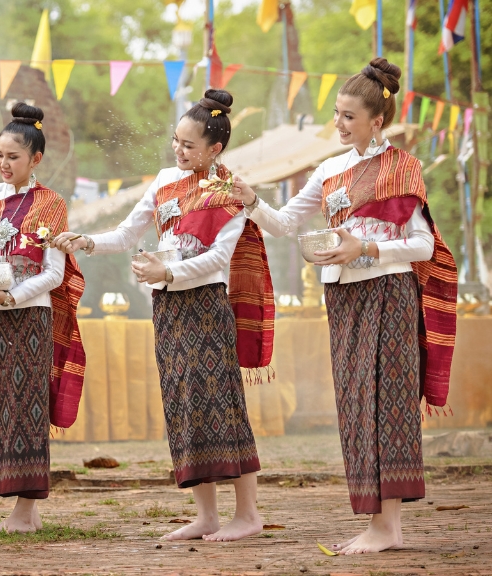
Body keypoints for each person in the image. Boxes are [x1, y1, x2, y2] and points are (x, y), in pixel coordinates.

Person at [228, 58, 457, 554]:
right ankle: (379, 523)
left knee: (388, 404)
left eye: (349, 116)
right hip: (343, 296)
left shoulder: (402, 167)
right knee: (355, 405)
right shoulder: (329, 170)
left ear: (377, 120)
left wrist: (367, 248)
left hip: (390, 294)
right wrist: (250, 200)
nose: (338, 123)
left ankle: (387, 526)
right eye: (337, 113)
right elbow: (287, 223)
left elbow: (422, 245)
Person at [53, 89, 274, 542]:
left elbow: (218, 259)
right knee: (183, 405)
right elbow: (126, 231)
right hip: (169, 309)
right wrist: (87, 242)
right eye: (176, 140)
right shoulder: (164, 182)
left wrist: (167, 270)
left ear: (216, 150)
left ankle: (248, 515)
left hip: (206, 308)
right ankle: (207, 515)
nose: (179, 149)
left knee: (221, 405)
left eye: (189, 145)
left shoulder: (229, 192)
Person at [0, 103, 85, 533]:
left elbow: (54, 273)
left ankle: (25, 511)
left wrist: (11, 296)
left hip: (27, 316)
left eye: (13, 157)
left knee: (26, 406)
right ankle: (19, 504)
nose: (4, 164)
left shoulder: (51, 205)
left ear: (36, 160)